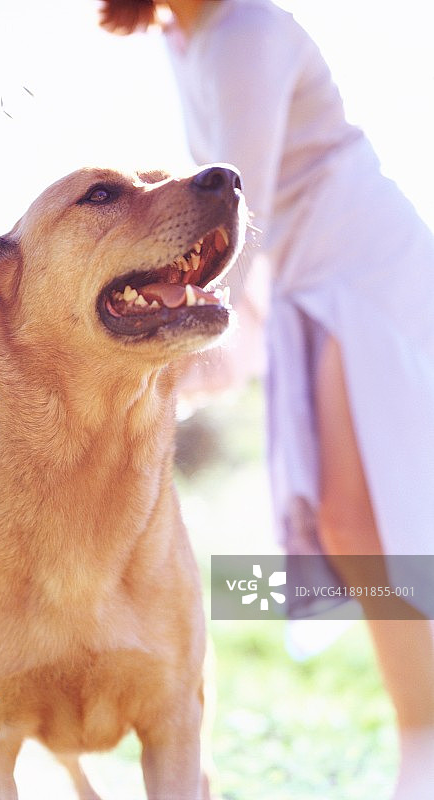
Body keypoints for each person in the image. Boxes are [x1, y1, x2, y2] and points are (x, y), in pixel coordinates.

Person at [99, 1, 434, 798]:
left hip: (359, 265)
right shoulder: (183, 37)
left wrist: (180, 350)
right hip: (303, 280)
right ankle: (419, 740)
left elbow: (237, 227)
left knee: (362, 521)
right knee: (336, 527)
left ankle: (422, 750)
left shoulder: (245, 32)